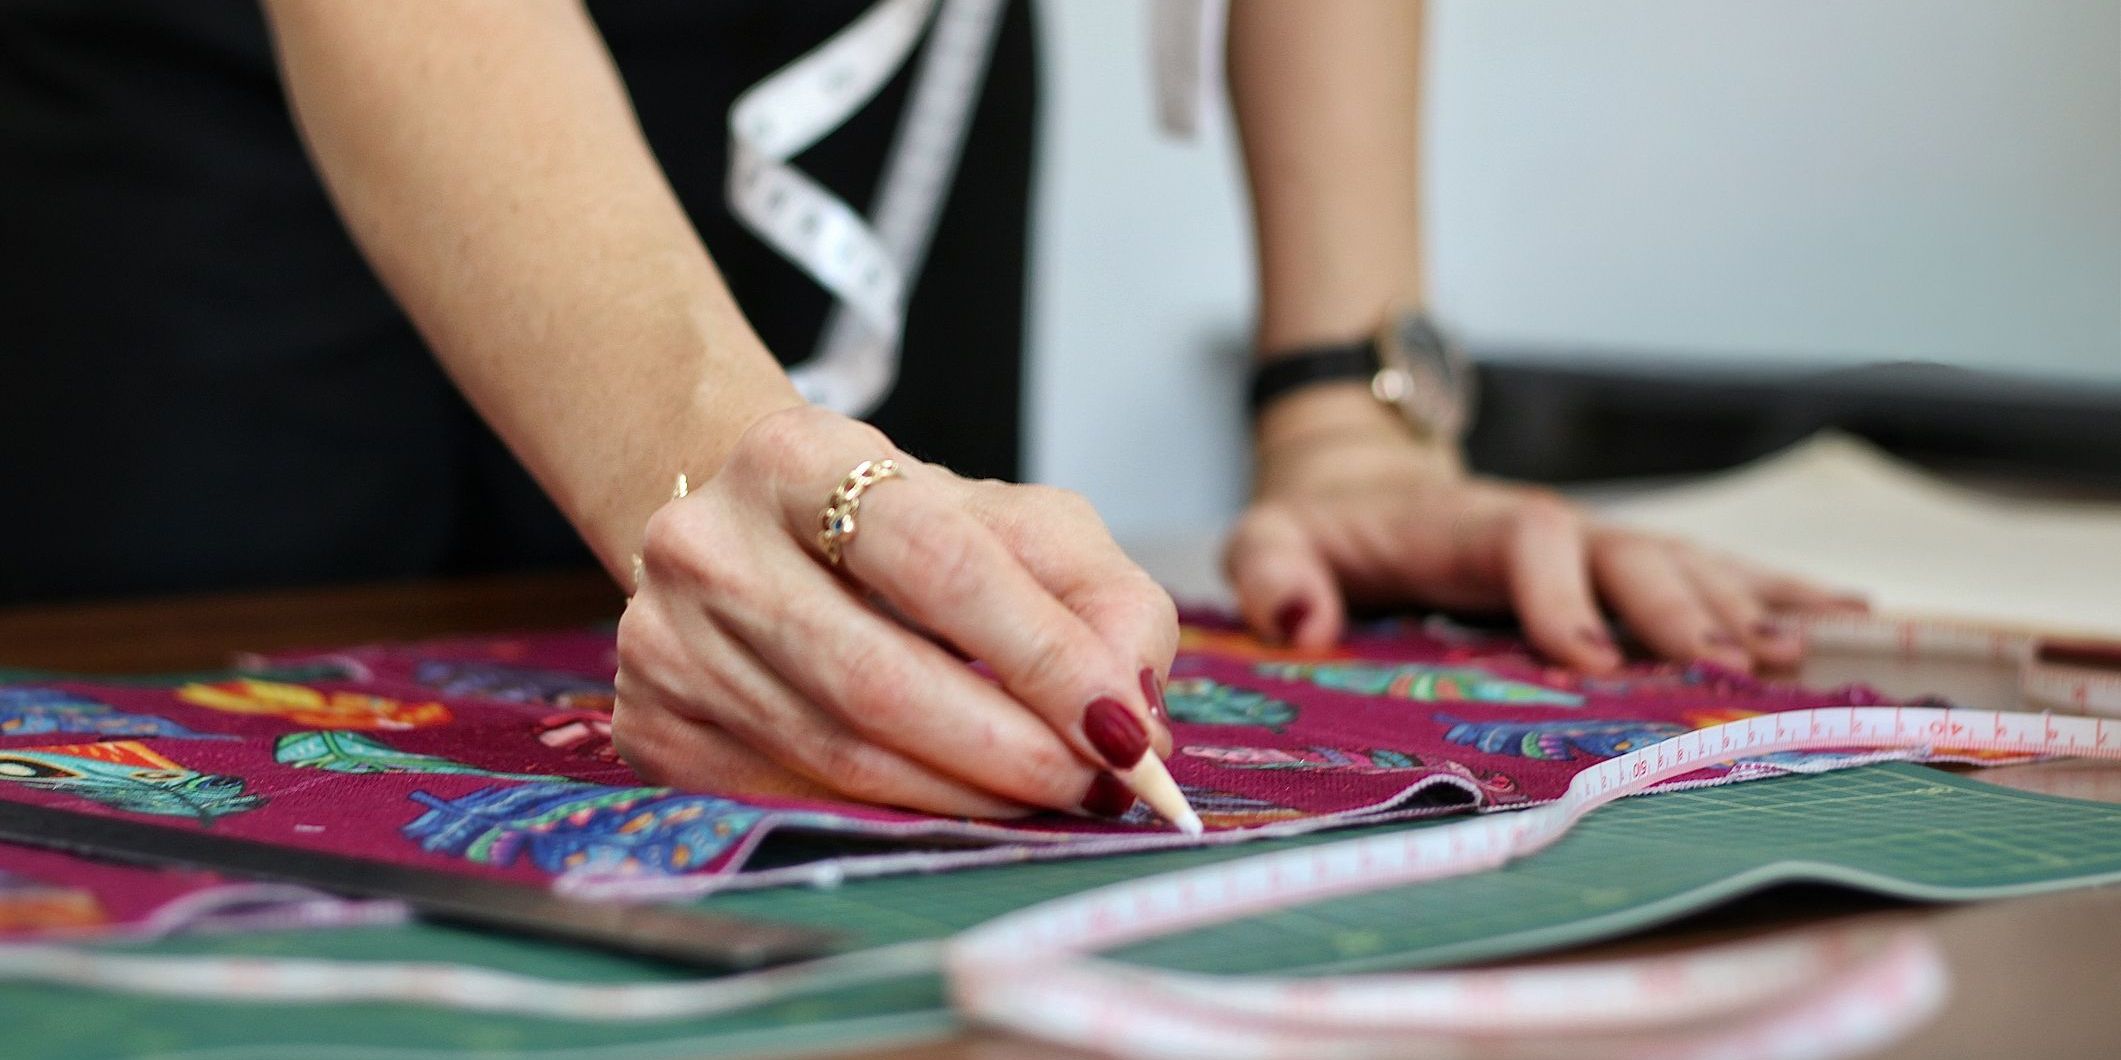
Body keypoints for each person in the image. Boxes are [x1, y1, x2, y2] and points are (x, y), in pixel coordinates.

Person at [2, 2, 1855, 822]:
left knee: (890, 763)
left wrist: (1342, 406)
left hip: (878, 75)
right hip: (247, 95)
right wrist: (708, 448)